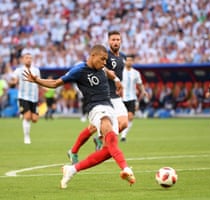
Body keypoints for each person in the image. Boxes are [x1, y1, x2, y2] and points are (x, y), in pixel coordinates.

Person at [23, 44, 135, 188]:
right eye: (102, 59)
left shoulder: (101, 67)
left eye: (106, 60)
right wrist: (38, 80)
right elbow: (56, 83)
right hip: (96, 109)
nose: (104, 62)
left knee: (109, 150)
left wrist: (117, 81)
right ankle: (125, 169)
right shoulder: (79, 70)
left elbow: (110, 73)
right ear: (93, 56)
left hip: (110, 107)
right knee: (106, 125)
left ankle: (72, 169)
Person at [67, 30, 129, 163]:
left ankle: (98, 139)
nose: (115, 42)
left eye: (118, 39)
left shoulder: (122, 57)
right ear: (108, 41)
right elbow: (97, 67)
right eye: (113, 40)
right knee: (94, 128)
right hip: (103, 97)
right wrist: (114, 77)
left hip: (115, 97)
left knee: (123, 123)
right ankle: (74, 150)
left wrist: (119, 83)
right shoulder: (105, 56)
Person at [12, 50, 40, 144]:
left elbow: (39, 82)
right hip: (23, 97)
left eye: (30, 58)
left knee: (35, 119)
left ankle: (23, 113)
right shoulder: (19, 70)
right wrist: (13, 82)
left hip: (34, 97)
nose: (29, 60)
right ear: (23, 60)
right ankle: (26, 137)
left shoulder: (36, 70)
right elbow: (14, 80)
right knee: (27, 117)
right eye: (27, 58)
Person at [120, 54, 148, 141]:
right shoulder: (120, 72)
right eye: (127, 60)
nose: (129, 62)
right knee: (121, 118)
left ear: (133, 62)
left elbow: (140, 84)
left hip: (132, 97)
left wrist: (143, 91)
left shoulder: (136, 73)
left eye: (131, 60)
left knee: (130, 116)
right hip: (121, 98)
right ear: (125, 61)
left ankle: (123, 136)